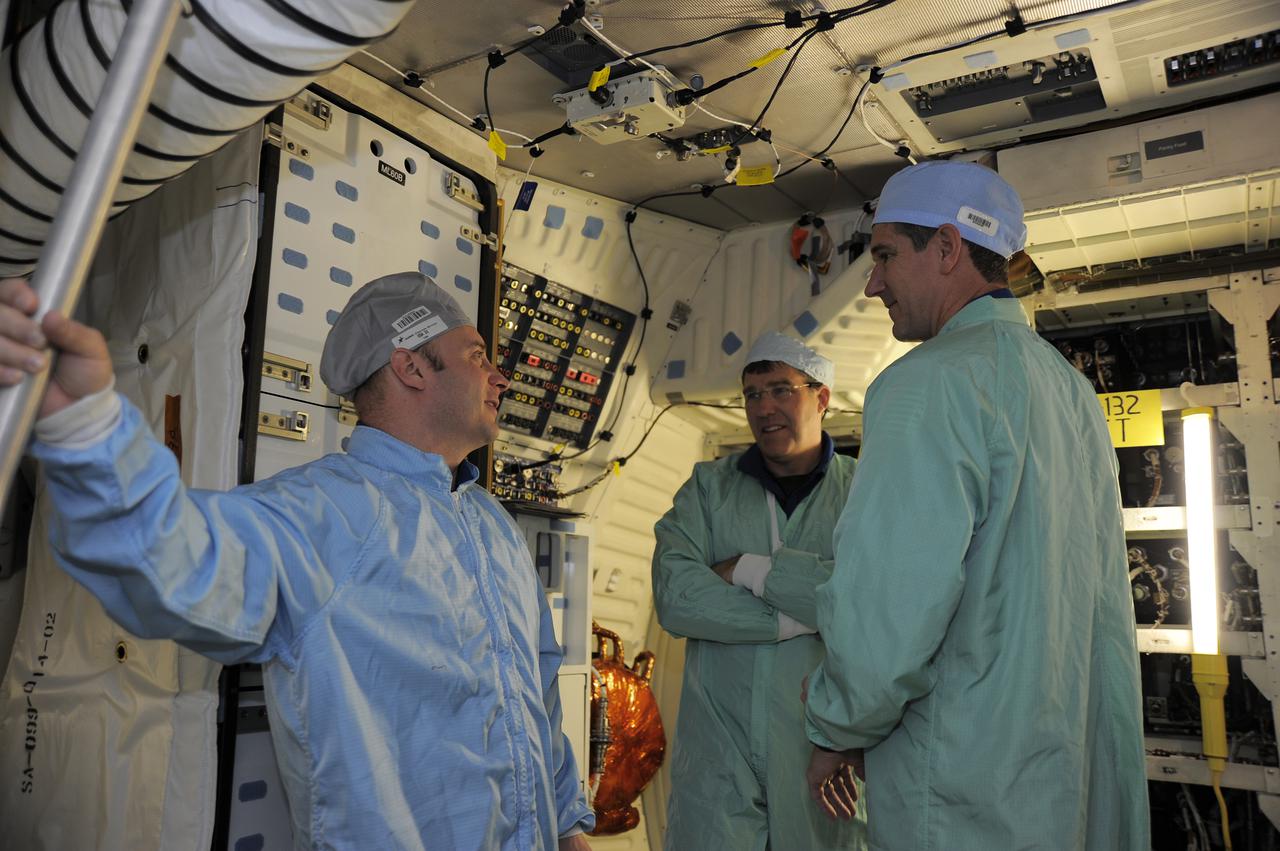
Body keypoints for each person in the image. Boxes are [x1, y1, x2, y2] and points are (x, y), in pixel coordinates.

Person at [0, 271, 594, 850]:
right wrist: (83, 429)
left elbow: (537, 696)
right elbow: (172, 560)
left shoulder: (495, 526)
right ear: (411, 366)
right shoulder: (326, 513)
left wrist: (567, 827)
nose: (502, 377)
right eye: (477, 356)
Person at [802, 161, 1149, 849]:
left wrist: (836, 728)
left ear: (949, 247)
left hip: (963, 798)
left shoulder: (924, 386)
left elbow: (889, 611)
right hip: (1063, 793)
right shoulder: (1070, 392)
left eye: (885, 255)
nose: (872, 284)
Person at [652, 331, 868, 851]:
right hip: (717, 764)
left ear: (821, 397)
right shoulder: (708, 490)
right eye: (752, 394)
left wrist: (750, 570)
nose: (764, 407)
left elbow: (869, 601)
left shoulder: (864, 492)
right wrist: (799, 617)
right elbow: (677, 597)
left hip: (824, 757)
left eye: (780, 390)